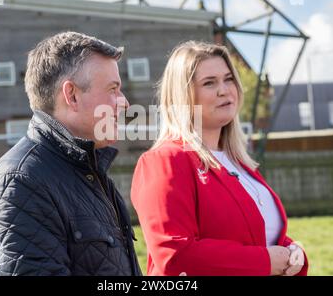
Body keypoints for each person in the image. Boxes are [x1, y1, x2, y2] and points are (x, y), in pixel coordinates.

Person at [131, 41, 308, 276]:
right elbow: (176, 257)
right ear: (183, 96)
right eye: (209, 83)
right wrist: (264, 261)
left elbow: (260, 235)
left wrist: (294, 253)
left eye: (229, 79)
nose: (224, 90)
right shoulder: (165, 160)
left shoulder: (239, 162)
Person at [0, 31, 142, 276]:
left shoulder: (87, 171)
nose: (125, 103)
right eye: (113, 89)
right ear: (72, 95)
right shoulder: (20, 182)